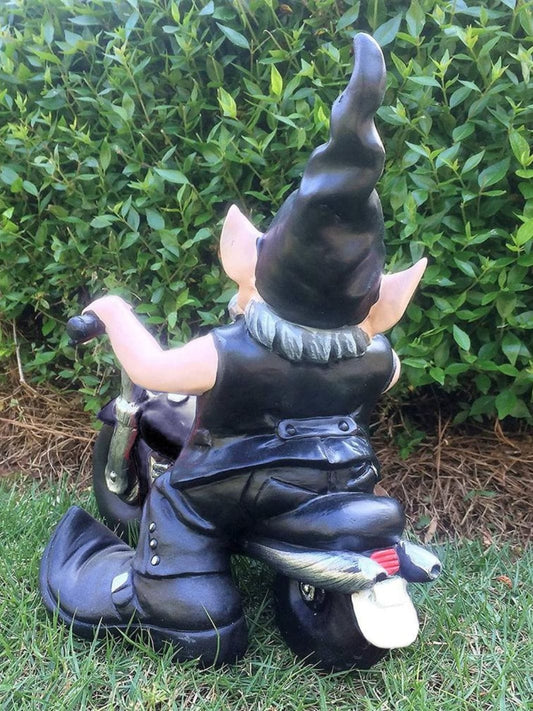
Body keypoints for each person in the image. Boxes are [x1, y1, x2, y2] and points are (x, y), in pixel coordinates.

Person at [40, 33, 428, 666]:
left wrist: (111, 310)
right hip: (343, 475)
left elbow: (149, 368)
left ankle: (175, 595)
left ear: (266, 268)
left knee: (178, 504)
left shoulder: (230, 350)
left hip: (235, 483)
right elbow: (385, 373)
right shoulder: (376, 356)